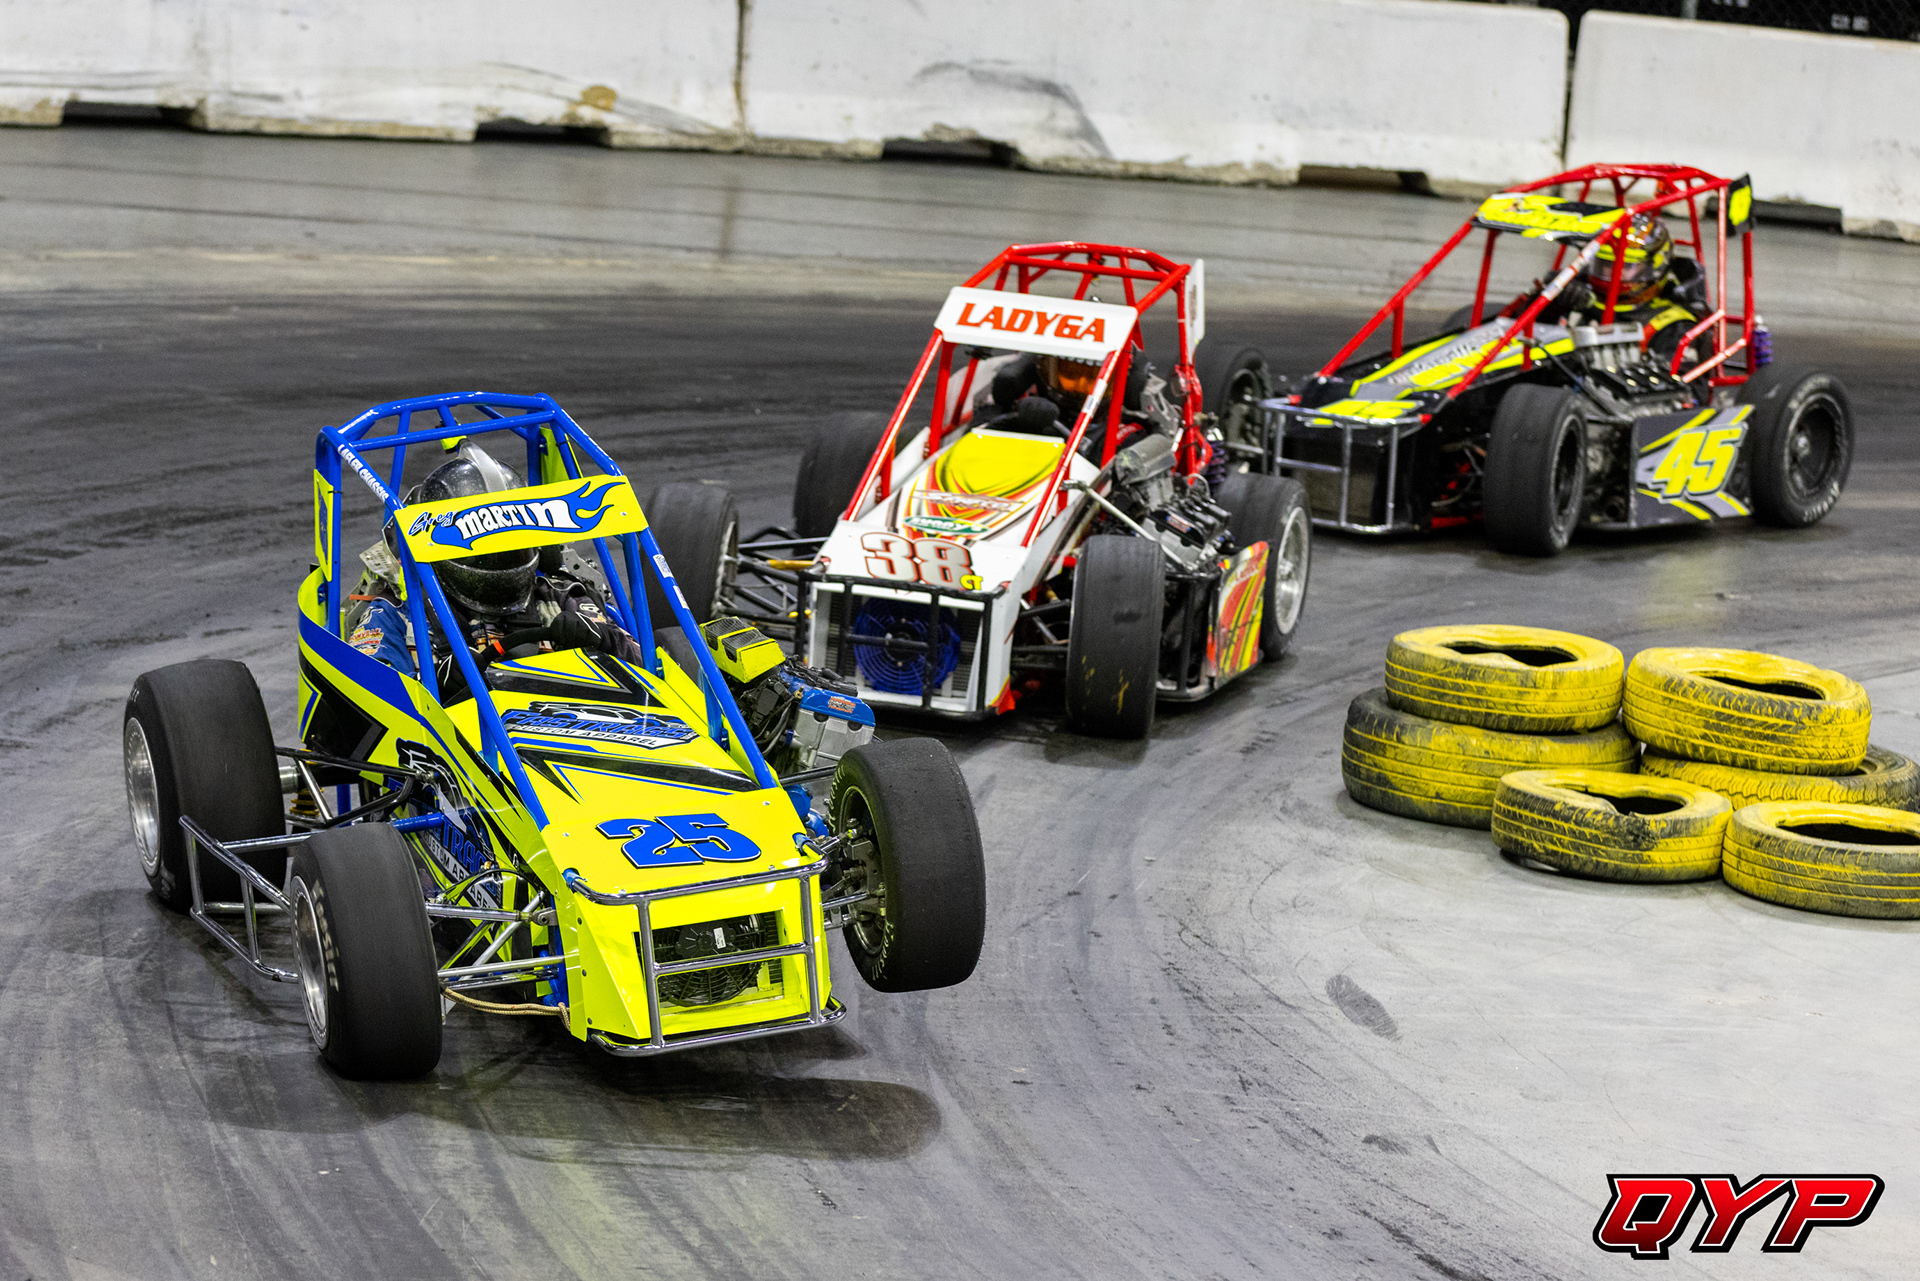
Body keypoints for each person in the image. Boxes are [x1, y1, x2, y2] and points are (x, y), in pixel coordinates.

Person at [350, 442, 642, 701]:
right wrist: (433, 688)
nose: (500, 558)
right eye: (483, 549)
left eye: (511, 544)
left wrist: (605, 641)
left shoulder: (563, 595)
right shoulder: (399, 613)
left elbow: (649, 669)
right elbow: (365, 699)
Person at [1567, 212, 1710, 370]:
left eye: (1627, 266)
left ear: (1656, 269)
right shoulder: (1581, 299)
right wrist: (1554, 308)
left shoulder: (1674, 325)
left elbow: (1684, 382)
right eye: (1605, 264)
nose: (1614, 272)